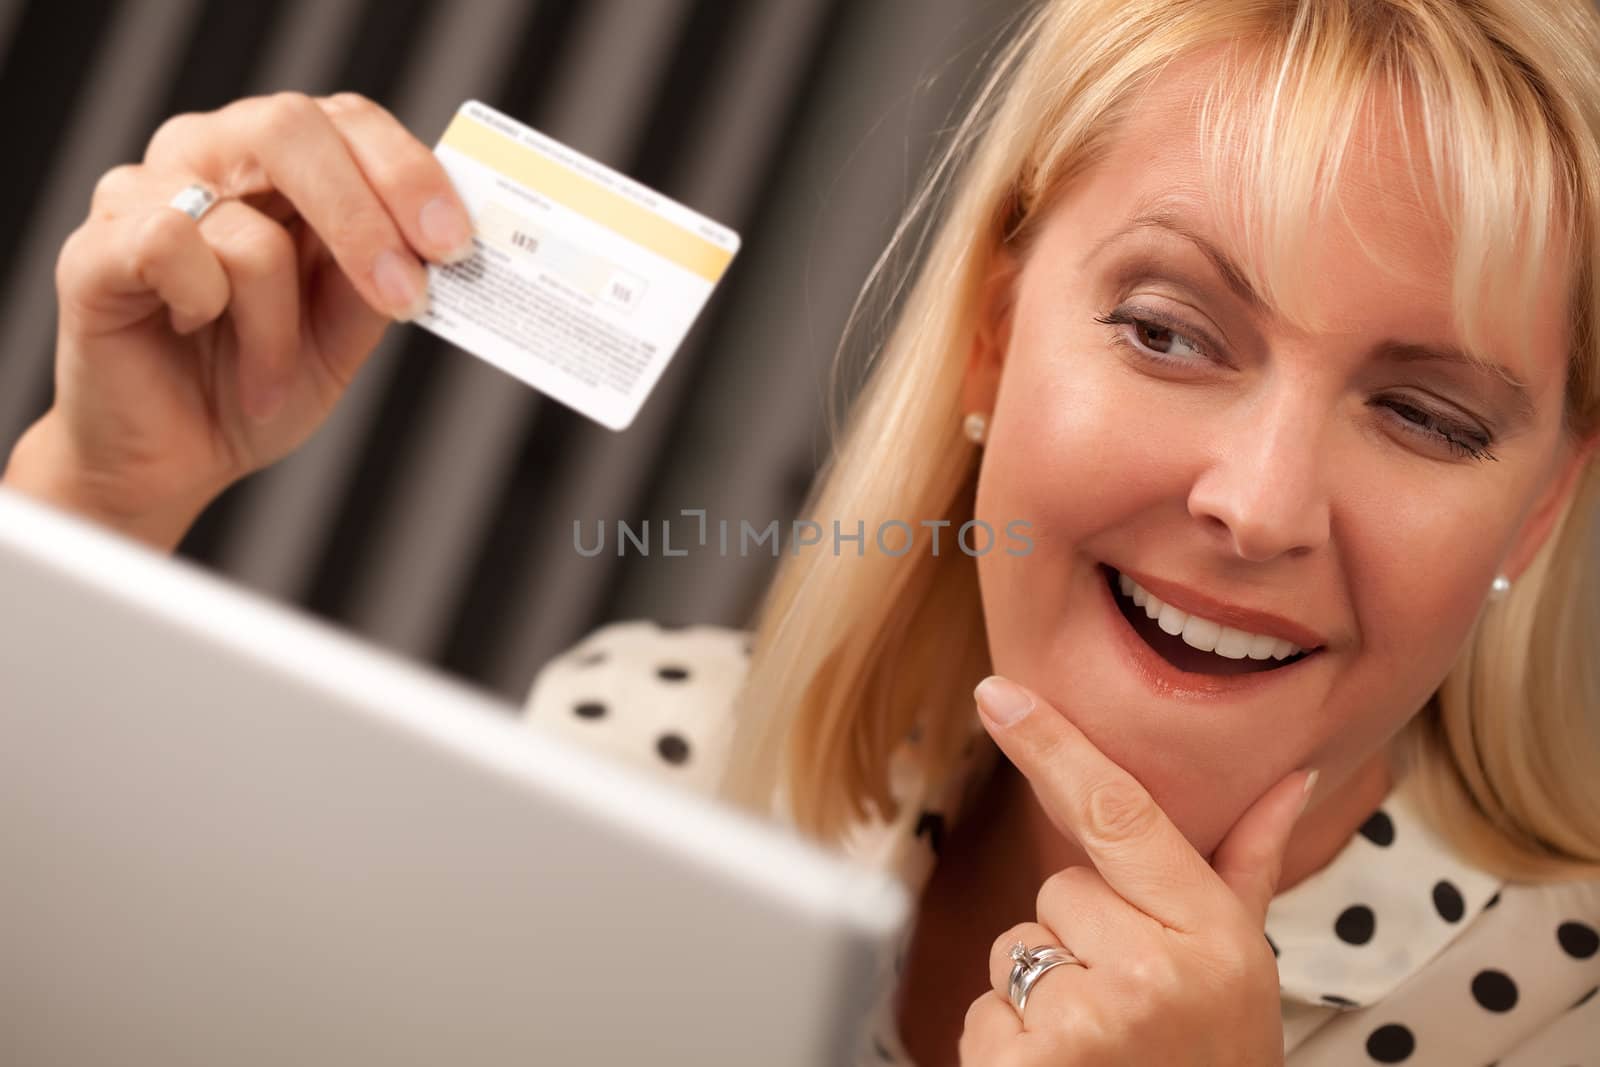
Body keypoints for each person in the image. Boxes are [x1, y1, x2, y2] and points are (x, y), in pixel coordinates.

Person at [5, 0, 1600, 1063]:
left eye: (1426, 416)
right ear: (989, 336)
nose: (1254, 505)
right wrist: (97, 500)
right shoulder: (647, 757)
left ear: (1539, 498)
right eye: (1173, 333)